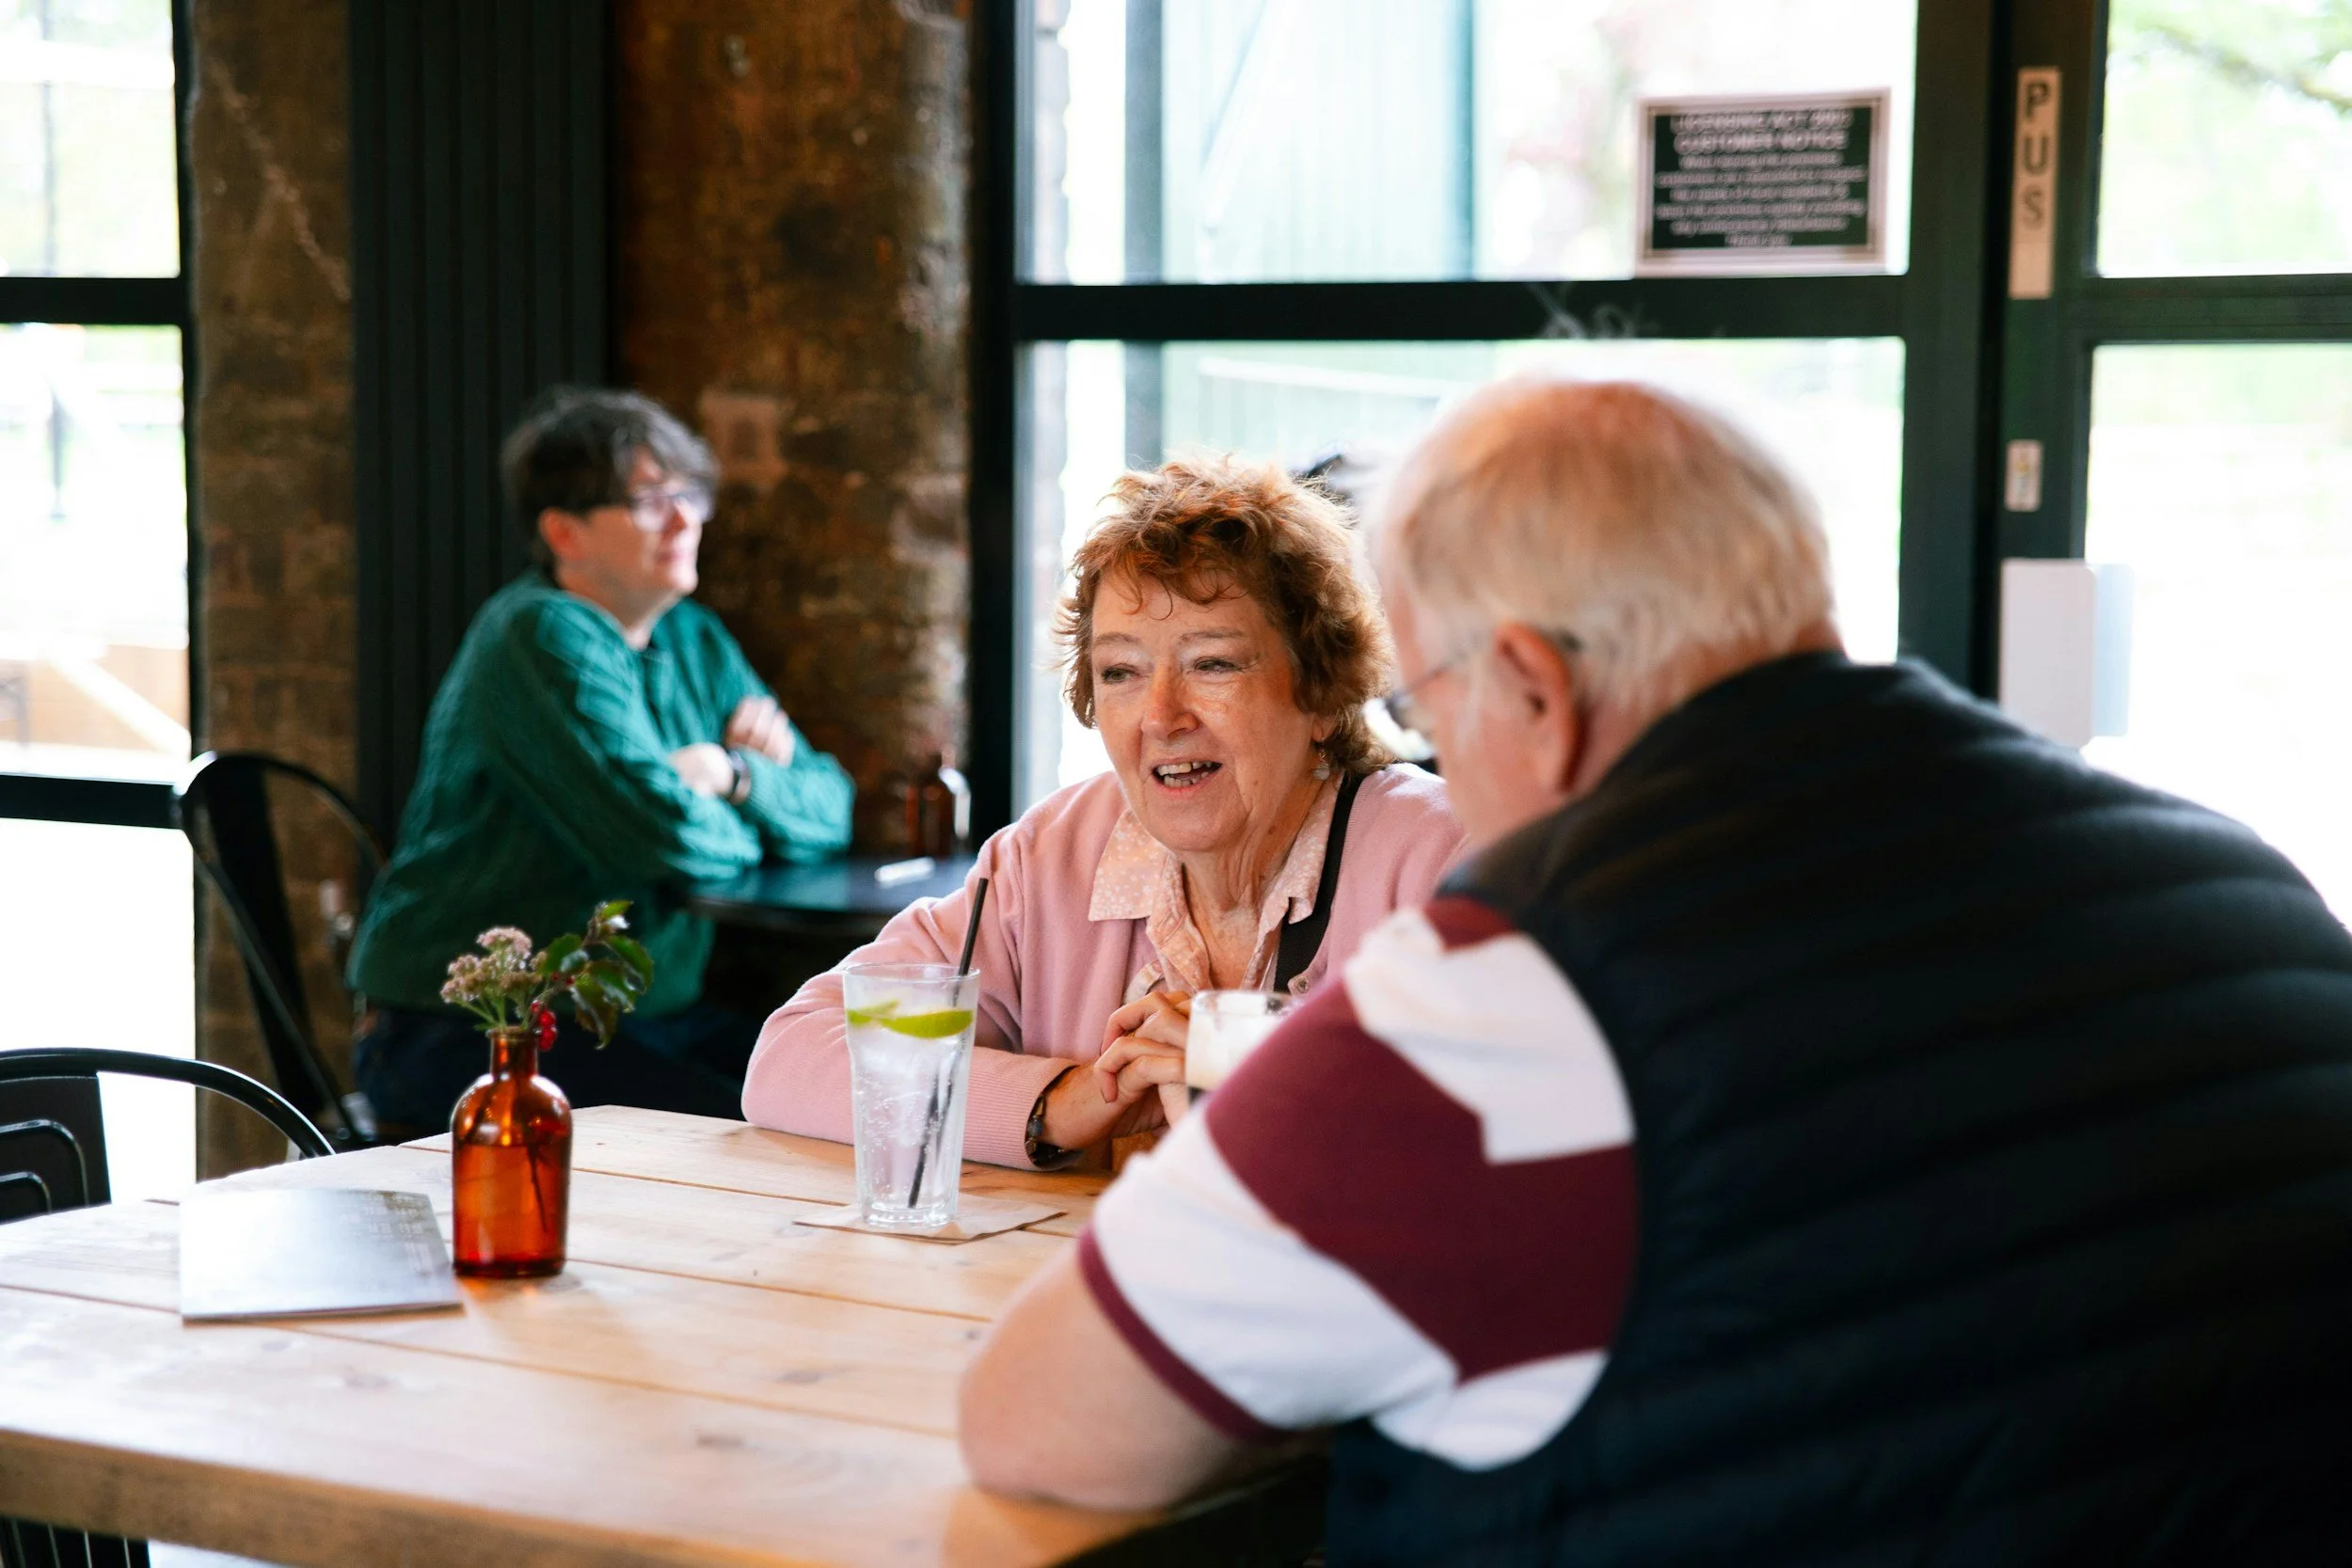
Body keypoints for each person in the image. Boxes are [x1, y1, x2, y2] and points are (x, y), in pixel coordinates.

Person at [960, 379, 2352, 1563]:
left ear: (1531, 688)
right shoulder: (2242, 884)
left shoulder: (1525, 993)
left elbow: (1041, 1415)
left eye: (1431, 710)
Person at [742, 454, 1464, 1168]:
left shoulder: (1441, 862)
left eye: (1213, 663)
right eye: (1119, 671)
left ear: (1322, 693)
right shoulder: (1050, 858)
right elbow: (792, 1056)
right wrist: (1065, 1099)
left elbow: (1519, 1155)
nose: (1160, 714)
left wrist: (1254, 1079)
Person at [347, 388, 854, 1132]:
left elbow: (830, 805)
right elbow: (665, 837)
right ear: (565, 532)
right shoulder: (539, 637)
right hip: (474, 1033)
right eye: (649, 499)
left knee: (846, 1097)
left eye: (688, 494)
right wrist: (738, 817)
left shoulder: (692, 637)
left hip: (640, 1016)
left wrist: (727, 774)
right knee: (769, 1136)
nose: (685, 518)